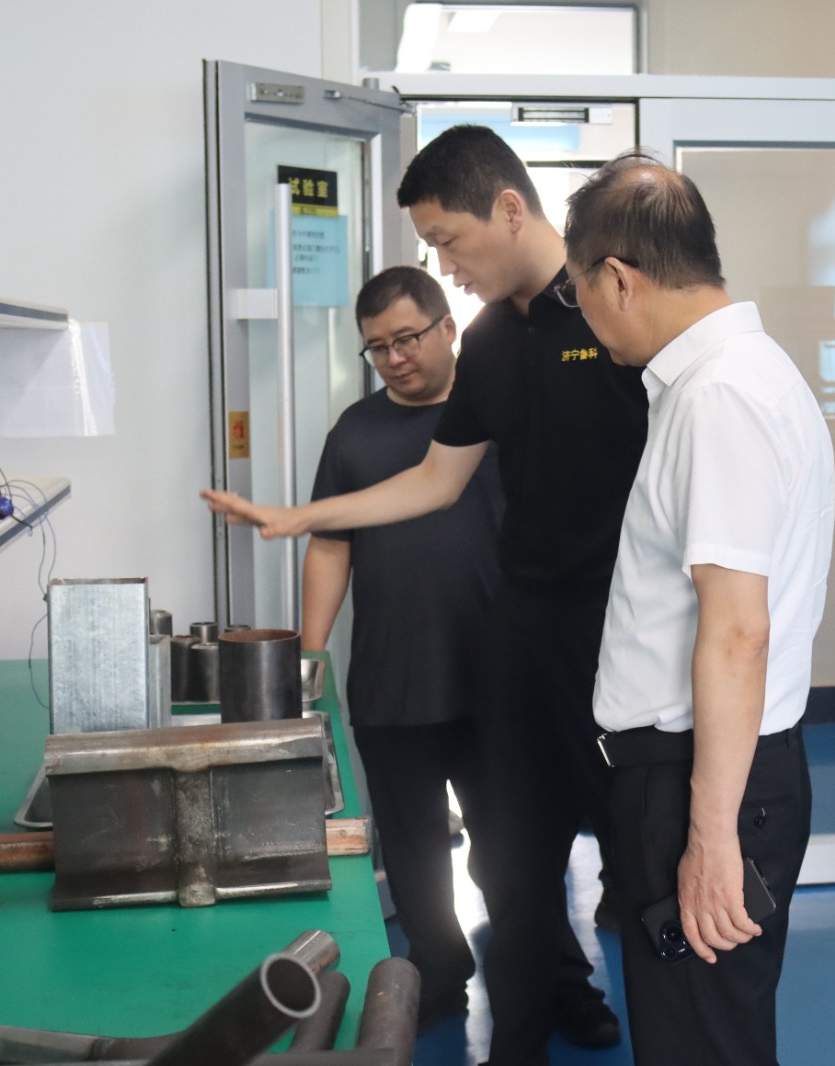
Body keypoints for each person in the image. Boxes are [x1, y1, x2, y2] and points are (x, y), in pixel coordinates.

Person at [203, 124, 646, 1066]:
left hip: (618, 653)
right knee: (511, 869)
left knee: (634, 879)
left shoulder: (613, 313)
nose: (445, 264)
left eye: (447, 240)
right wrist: (301, 518)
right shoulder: (490, 343)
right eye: (380, 347)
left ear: (510, 209)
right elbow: (435, 481)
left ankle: (600, 1000)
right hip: (504, 661)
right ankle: (502, 1027)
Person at [563, 153, 834, 1066]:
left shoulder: (719, 396)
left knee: (701, 1044)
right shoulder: (740, 375)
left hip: (703, 780)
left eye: (577, 290)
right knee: (710, 1034)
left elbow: (737, 629)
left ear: (618, 278)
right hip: (714, 768)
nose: (583, 313)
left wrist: (709, 838)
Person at [300, 265, 500, 1032]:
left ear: (448, 328)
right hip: (393, 679)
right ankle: (439, 974)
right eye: (378, 347)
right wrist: (309, 658)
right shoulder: (355, 433)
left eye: (407, 338)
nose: (394, 358)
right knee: (413, 849)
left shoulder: (497, 417)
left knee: (512, 845)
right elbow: (330, 546)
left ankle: (554, 977)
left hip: (497, 678)